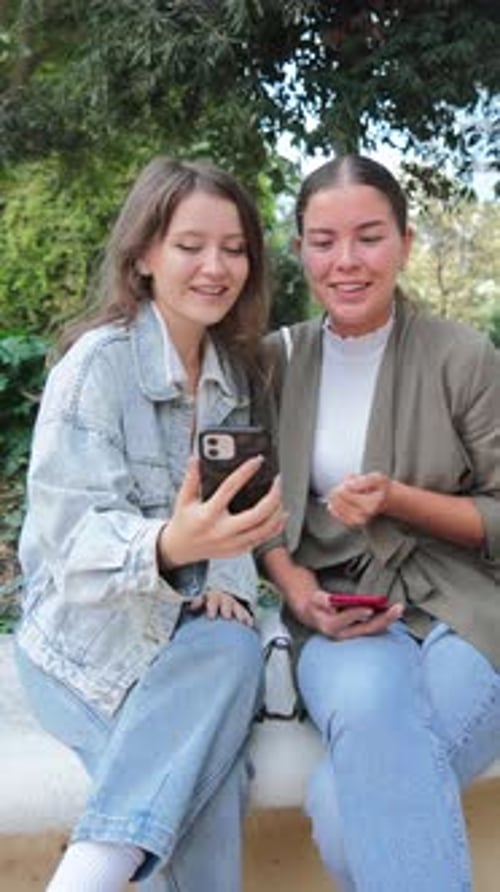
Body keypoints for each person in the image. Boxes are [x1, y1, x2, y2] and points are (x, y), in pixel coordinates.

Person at [15, 156, 285, 892]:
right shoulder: (96, 368)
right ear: (143, 256)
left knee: (230, 645)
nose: (216, 267)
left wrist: (222, 566)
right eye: (190, 245)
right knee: (212, 781)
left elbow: (233, 525)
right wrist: (169, 547)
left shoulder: (236, 379)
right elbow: (71, 544)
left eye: (234, 248)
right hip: (85, 647)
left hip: (187, 645)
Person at [261, 154, 500, 891]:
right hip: (338, 612)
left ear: (404, 240)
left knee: (341, 803)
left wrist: (398, 498)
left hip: (463, 607)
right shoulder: (275, 362)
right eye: (323, 240)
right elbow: (256, 513)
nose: (346, 262)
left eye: (369, 237)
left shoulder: (461, 356)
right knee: (365, 723)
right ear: (299, 247)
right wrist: (296, 588)